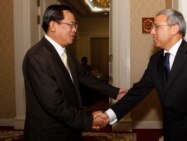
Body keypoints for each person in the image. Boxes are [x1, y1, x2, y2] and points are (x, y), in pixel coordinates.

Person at [94, 9, 187, 141]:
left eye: (157, 27)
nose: (152, 32)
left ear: (174, 28)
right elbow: (138, 91)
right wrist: (108, 115)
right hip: (171, 134)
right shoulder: (156, 61)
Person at [22, 4, 126, 141]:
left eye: (75, 26)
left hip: (70, 127)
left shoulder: (65, 53)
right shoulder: (37, 57)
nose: (75, 30)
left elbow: (85, 76)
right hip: (49, 133)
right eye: (71, 25)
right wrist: (88, 120)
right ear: (53, 25)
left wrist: (115, 92)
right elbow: (54, 104)